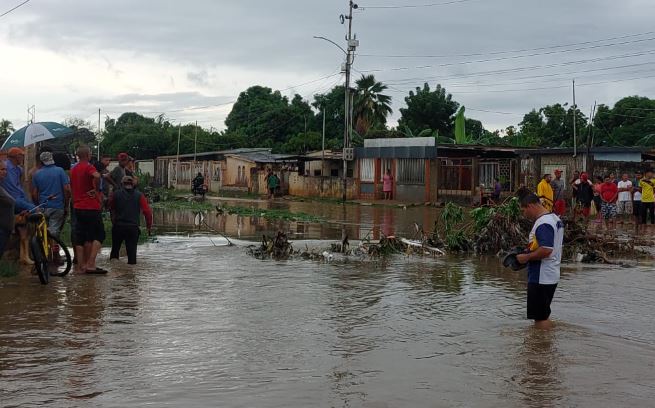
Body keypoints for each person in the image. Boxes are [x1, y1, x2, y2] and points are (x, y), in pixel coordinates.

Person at [515, 190, 564, 330]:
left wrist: (526, 257)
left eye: (523, 210)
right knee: (542, 315)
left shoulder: (543, 223)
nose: (523, 214)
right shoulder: (554, 218)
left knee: (540, 318)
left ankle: (542, 349)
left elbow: (546, 249)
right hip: (550, 274)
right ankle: (546, 345)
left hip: (541, 277)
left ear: (530, 206)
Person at [70, 145, 106, 274]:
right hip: (90, 206)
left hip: (77, 206)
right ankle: (90, 264)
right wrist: (95, 190)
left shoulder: (73, 169)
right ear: (88, 155)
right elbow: (97, 176)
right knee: (98, 235)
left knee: (81, 237)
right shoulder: (89, 166)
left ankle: (81, 266)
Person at [108, 176, 153, 265]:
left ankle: (113, 273)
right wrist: (148, 226)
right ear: (133, 185)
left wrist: (113, 221)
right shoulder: (139, 195)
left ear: (122, 184)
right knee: (132, 256)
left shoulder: (115, 194)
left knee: (114, 252)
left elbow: (111, 208)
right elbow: (147, 212)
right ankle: (131, 275)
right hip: (133, 228)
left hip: (118, 227)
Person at [1, 147, 34, 264]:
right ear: (16, 157)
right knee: (36, 211)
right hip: (11, 200)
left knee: (25, 222)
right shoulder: (6, 167)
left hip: (19, 198)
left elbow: (19, 186)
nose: (23, 158)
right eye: (21, 156)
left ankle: (24, 255)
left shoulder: (18, 169)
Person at [31, 152, 71, 237]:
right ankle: (53, 247)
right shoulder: (60, 171)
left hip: (43, 207)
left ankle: (43, 246)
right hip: (58, 206)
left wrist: (38, 204)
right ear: (52, 159)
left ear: (41, 162)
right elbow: (66, 190)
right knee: (54, 231)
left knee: (42, 229)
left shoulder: (36, 174)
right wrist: (66, 205)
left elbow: (34, 193)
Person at [0, 161, 15, 259]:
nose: (5, 172)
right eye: (2, 169)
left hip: (5, 229)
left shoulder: (2, 187)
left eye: (5, 169)